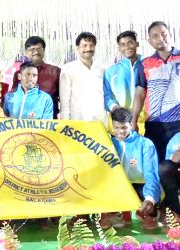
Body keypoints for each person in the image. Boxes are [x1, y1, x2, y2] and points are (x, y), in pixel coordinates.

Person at [101, 107, 161, 230]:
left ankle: (147, 212)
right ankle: (121, 212)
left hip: (139, 185)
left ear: (131, 124)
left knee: (150, 197)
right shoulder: (108, 143)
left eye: (124, 128)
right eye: (116, 128)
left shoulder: (145, 144)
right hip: (118, 186)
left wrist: (149, 199)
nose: (120, 132)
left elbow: (152, 175)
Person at [132, 21, 180, 161]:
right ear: (150, 41)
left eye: (163, 34)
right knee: (156, 162)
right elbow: (140, 94)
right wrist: (133, 120)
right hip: (155, 124)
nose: (160, 38)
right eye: (155, 36)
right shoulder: (144, 64)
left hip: (179, 121)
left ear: (170, 34)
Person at [60, 32, 106, 123]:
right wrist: (65, 122)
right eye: (84, 45)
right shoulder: (68, 69)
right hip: (77, 120)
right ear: (77, 48)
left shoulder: (102, 69)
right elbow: (64, 100)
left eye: (91, 45)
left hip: (99, 120)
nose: (88, 49)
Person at [11, 36, 60, 118]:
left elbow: (63, 98)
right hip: (24, 121)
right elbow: (15, 97)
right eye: (32, 49)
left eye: (39, 49)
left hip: (49, 121)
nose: (36, 52)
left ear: (44, 50)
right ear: (26, 52)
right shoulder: (18, 74)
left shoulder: (55, 71)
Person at [158, 132, 180, 217]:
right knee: (164, 169)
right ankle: (175, 211)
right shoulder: (177, 138)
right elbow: (172, 161)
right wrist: (178, 151)